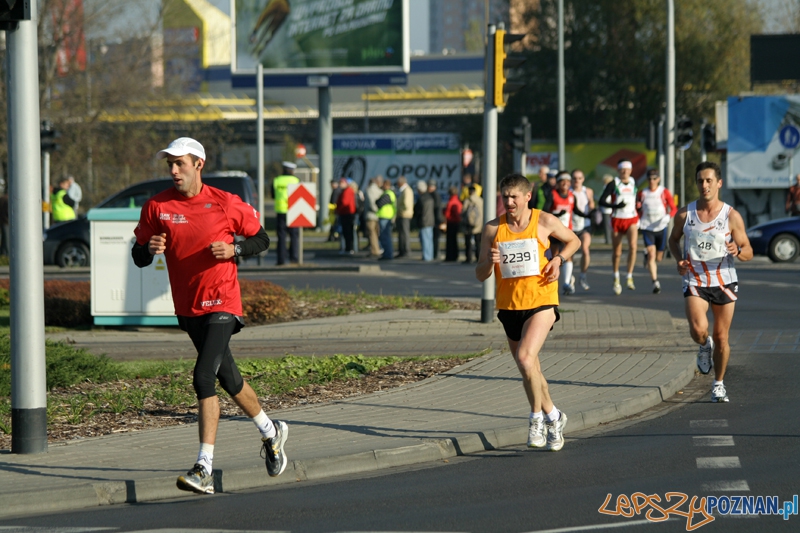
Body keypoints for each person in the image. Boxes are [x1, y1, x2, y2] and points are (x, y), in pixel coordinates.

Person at [131, 137, 287, 495]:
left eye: (180, 163)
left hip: (223, 303)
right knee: (229, 379)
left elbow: (262, 240)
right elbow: (138, 255)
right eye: (169, 163)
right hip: (188, 308)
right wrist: (147, 248)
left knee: (203, 377)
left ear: (198, 164)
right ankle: (271, 431)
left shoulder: (225, 203)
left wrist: (234, 248)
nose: (173, 170)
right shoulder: (157, 206)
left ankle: (204, 467)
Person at [475, 173, 580, 451]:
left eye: (513, 197)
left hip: (542, 300)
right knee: (529, 369)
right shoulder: (491, 229)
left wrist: (558, 259)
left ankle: (535, 420)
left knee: (524, 357)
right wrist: (489, 260)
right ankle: (554, 417)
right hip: (510, 306)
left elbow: (574, 241)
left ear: (527, 197)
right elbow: (480, 274)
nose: (508, 202)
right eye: (504, 197)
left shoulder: (543, 221)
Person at [668, 161, 753, 403]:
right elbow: (673, 241)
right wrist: (679, 260)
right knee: (698, 330)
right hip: (695, 279)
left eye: (709, 181)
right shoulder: (685, 214)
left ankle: (718, 384)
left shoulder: (731, 216)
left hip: (724, 281)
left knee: (723, 337)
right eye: (700, 181)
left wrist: (737, 250)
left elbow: (748, 251)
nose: (704, 185)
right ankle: (704, 345)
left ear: (718, 183)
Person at [544, 171, 589, 295]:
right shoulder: (552, 195)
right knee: (554, 256)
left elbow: (576, 210)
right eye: (562, 181)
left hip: (566, 230)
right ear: (558, 183)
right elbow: (545, 211)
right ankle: (553, 283)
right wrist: (557, 215)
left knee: (567, 255)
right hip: (553, 231)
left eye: (567, 181)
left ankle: (567, 282)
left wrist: (588, 215)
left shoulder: (571, 196)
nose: (565, 184)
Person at [599, 160, 639, 295]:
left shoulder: (634, 182)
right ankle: (616, 276)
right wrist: (616, 206)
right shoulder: (614, 183)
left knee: (633, 246)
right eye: (622, 169)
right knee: (617, 252)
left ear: (631, 170)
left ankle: (629, 276)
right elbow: (602, 201)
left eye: (627, 169)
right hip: (617, 218)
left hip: (631, 218)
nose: (625, 172)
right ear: (618, 170)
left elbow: (636, 198)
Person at [637, 169, 677, 294]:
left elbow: (674, 208)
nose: (652, 181)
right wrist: (637, 219)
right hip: (647, 227)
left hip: (661, 228)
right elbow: (636, 208)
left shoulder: (664, 192)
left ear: (658, 179)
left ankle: (647, 256)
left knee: (659, 258)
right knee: (652, 255)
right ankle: (655, 282)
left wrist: (668, 216)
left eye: (654, 178)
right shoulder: (642, 193)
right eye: (649, 179)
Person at [571, 169, 595, 290]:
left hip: (585, 225)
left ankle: (583, 275)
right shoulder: (568, 192)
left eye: (579, 178)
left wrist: (591, 204)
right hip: (570, 226)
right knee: (570, 254)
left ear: (583, 179)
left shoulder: (588, 191)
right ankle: (569, 277)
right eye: (574, 178)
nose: (577, 181)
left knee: (585, 250)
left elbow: (592, 206)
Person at [271, 162, 300, 265]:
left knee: (281, 237)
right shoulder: (296, 181)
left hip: (280, 211)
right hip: (293, 211)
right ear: (292, 171)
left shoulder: (277, 180)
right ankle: (294, 258)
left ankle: (281, 260)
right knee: (294, 236)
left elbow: (273, 195)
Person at [461, 184, 483, 263]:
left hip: (468, 225)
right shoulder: (480, 200)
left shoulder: (467, 200)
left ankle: (468, 258)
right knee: (478, 242)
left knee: (468, 242)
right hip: (478, 225)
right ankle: (478, 257)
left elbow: (463, 212)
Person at [414, 180, 435, 261]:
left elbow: (417, 210)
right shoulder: (430, 197)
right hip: (430, 220)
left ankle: (426, 256)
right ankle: (430, 255)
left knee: (425, 240)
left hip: (424, 221)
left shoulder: (421, 199)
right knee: (429, 240)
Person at [336, 177, 357, 255]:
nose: (340, 185)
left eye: (341, 183)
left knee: (348, 232)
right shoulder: (345, 191)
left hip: (346, 213)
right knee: (347, 232)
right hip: (346, 213)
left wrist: (339, 209)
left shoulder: (347, 191)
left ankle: (349, 248)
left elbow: (345, 203)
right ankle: (349, 248)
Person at [364, 176, 384, 258]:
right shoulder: (379, 190)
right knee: (376, 233)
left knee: (372, 234)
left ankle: (374, 250)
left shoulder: (370, 190)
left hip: (371, 215)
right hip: (377, 215)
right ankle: (376, 249)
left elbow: (371, 203)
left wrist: (376, 210)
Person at [377, 179, 396, 260]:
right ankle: (387, 253)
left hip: (386, 217)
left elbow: (379, 203)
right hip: (386, 216)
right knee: (385, 236)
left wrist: (377, 201)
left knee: (385, 236)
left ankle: (388, 254)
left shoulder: (388, 193)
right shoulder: (387, 193)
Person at [396, 176, 414, 258]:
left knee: (404, 233)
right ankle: (402, 250)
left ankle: (406, 250)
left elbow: (406, 204)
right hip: (403, 214)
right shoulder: (404, 190)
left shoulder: (407, 191)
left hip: (404, 215)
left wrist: (399, 209)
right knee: (402, 234)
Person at [444, 185, 462, 262]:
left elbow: (447, 214)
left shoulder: (451, 201)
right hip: (456, 222)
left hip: (451, 222)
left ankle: (450, 256)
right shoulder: (458, 201)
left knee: (450, 240)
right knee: (454, 240)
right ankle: (455, 255)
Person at [429, 181, 445, 260]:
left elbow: (437, 209)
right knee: (435, 238)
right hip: (436, 219)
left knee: (435, 238)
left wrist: (439, 220)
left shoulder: (434, 196)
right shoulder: (435, 195)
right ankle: (435, 253)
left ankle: (435, 253)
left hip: (435, 219)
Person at [600, 174, 614, 244]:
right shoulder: (605, 188)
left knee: (609, 226)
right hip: (606, 209)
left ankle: (609, 240)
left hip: (609, 210)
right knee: (608, 226)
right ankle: (608, 240)